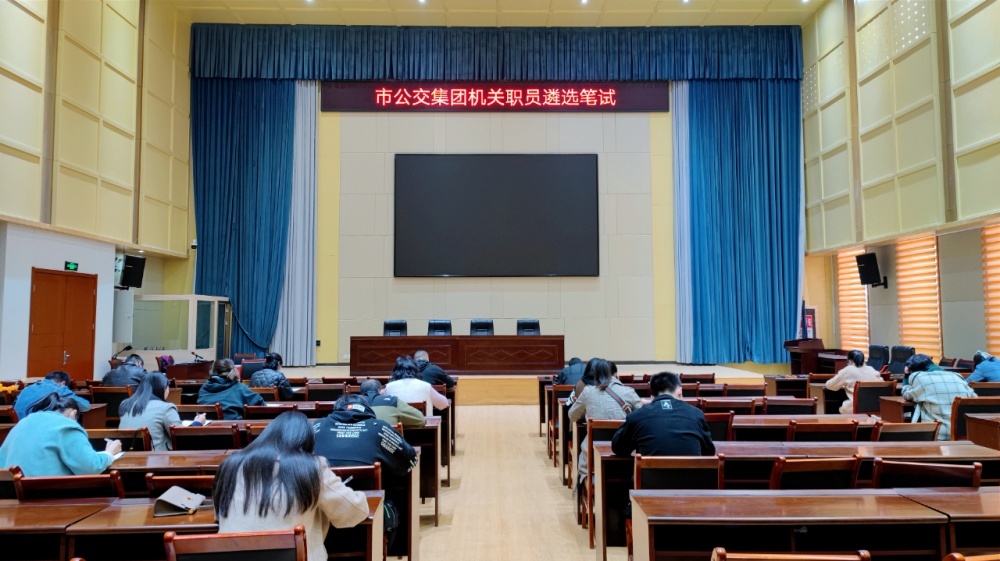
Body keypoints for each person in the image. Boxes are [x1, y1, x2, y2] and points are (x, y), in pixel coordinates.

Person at [214, 411, 369, 561]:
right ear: (307, 441)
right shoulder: (311, 466)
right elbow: (354, 511)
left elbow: (219, 515)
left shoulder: (229, 465)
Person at [0, 393, 121, 476]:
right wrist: (109, 454)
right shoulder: (67, 426)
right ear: (73, 414)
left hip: (10, 492)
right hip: (43, 495)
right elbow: (90, 468)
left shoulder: (23, 422)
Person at [567, 358, 641, 482]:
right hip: (626, 452)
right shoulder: (629, 392)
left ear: (595, 375)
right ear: (614, 374)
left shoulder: (588, 392)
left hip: (592, 454)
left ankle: (586, 484)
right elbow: (642, 417)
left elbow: (572, 416)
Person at [612, 372, 715, 457]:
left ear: (652, 397)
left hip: (650, 476)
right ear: (680, 392)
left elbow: (618, 448)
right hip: (692, 476)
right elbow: (709, 452)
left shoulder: (636, 416)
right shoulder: (696, 414)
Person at [312, 393, 419, 475]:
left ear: (336, 408)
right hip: (366, 495)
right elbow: (410, 459)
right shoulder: (380, 427)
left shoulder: (318, 425)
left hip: (319, 494)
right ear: (367, 408)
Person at [119, 372, 206, 450]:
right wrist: (197, 423)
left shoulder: (125, 404)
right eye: (167, 386)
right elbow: (182, 437)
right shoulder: (166, 408)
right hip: (157, 457)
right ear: (162, 388)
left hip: (127, 454)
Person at [902, 353, 976, 441]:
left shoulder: (919, 377)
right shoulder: (957, 376)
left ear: (912, 370)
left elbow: (907, 395)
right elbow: (974, 397)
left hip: (937, 435)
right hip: (964, 435)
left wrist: (906, 376)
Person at [198, 358, 265, 419]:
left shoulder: (203, 389)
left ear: (212, 371)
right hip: (232, 427)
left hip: (206, 427)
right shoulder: (240, 388)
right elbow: (261, 404)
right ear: (233, 370)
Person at [14, 370, 91, 420]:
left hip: (19, 428)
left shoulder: (27, 388)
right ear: (63, 383)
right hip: (39, 430)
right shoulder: (59, 388)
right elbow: (85, 406)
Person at [384, 356, 449, 414]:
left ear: (395, 372)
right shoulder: (425, 386)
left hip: (396, 423)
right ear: (415, 370)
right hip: (423, 424)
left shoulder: (388, 387)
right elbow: (444, 404)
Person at [824, 349, 883, 413]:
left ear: (850, 361)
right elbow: (882, 383)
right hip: (877, 407)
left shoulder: (848, 370)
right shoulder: (871, 369)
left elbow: (830, 385)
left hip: (857, 408)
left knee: (840, 408)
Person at [359, 379, 425, 428]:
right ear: (381, 391)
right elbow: (420, 420)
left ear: (361, 394)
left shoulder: (353, 403)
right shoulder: (393, 401)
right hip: (387, 442)